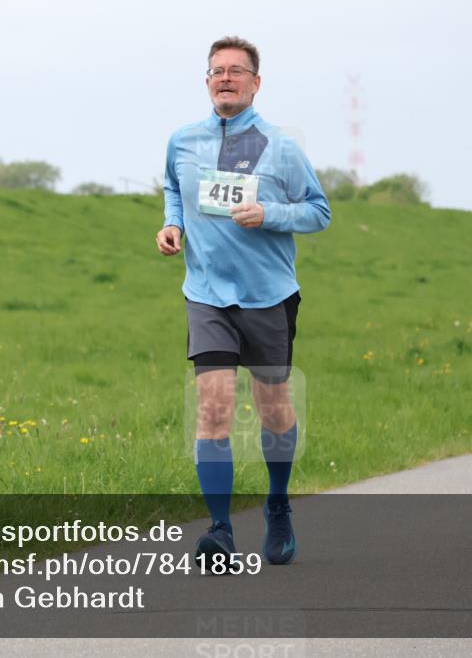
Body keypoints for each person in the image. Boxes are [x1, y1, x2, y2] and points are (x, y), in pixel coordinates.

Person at [157, 36, 331, 568]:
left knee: (273, 409)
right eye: (216, 70)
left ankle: (278, 506)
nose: (225, 78)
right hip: (206, 295)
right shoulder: (182, 140)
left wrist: (271, 215)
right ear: (206, 81)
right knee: (212, 408)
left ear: (256, 82)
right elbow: (172, 186)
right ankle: (221, 531)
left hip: (267, 296)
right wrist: (172, 224)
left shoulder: (280, 146)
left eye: (236, 70)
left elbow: (318, 211)